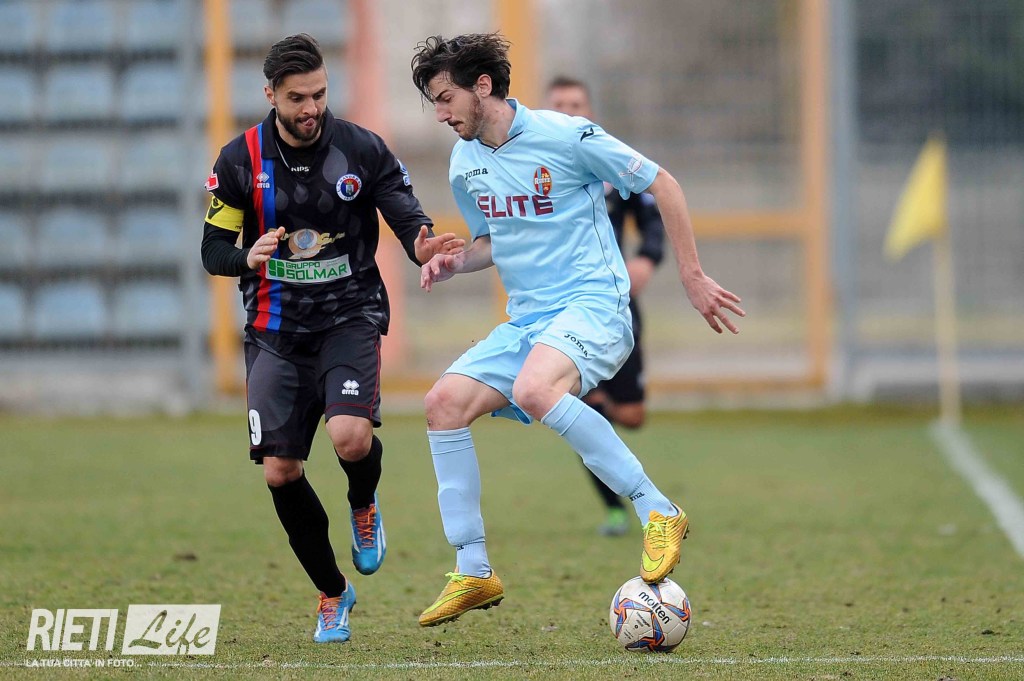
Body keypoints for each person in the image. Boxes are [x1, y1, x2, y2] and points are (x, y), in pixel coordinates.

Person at [410, 33, 744, 627]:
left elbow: (663, 184)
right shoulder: (465, 162)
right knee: (443, 404)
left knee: (536, 388)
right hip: (529, 319)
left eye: (444, 98)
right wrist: (453, 262)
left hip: (595, 305)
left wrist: (691, 276)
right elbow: (491, 242)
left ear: (482, 86)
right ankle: (473, 568)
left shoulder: (567, 136)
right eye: (434, 103)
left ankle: (657, 510)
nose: (440, 114)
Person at [201, 33, 463, 643]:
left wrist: (423, 243)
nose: (312, 108)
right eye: (298, 98)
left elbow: (405, 214)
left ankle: (362, 503)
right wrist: (246, 257)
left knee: (350, 438)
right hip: (274, 330)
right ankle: (333, 592)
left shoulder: (361, 149)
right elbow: (212, 249)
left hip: (349, 316)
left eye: (319, 94)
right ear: (270, 95)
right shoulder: (239, 161)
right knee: (280, 471)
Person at [546, 75, 665, 537]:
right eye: (559, 104)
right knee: (578, 409)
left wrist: (647, 258)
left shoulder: (609, 161)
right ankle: (616, 508)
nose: (568, 111)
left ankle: (602, 412)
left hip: (613, 304)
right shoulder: (531, 166)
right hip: (561, 307)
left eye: (576, 104)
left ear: (590, 110)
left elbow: (652, 216)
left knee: (632, 416)